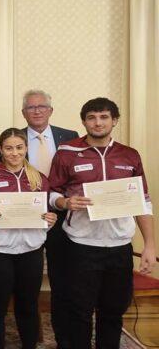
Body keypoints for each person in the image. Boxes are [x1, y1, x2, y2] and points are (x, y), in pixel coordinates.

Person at [48, 97, 156, 348]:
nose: (98, 123)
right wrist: (65, 203)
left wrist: (150, 245)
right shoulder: (67, 153)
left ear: (114, 120)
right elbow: (51, 193)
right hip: (81, 245)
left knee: (113, 311)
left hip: (119, 246)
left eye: (104, 117)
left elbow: (144, 202)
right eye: (92, 117)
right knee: (79, 311)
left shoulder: (129, 155)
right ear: (84, 121)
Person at [0, 128, 57, 349]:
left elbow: (46, 213)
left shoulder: (40, 179)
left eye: (19, 148)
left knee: (28, 306)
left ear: (26, 148)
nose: (14, 153)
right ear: (0, 150)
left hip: (31, 252)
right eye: (9, 148)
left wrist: (49, 221)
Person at [20, 89, 78, 348]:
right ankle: (31, 334)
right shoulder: (14, 139)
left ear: (51, 110)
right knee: (27, 282)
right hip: (25, 218)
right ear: (23, 113)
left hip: (61, 217)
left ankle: (63, 336)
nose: (37, 111)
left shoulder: (71, 138)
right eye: (31, 107)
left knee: (61, 280)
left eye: (42, 106)